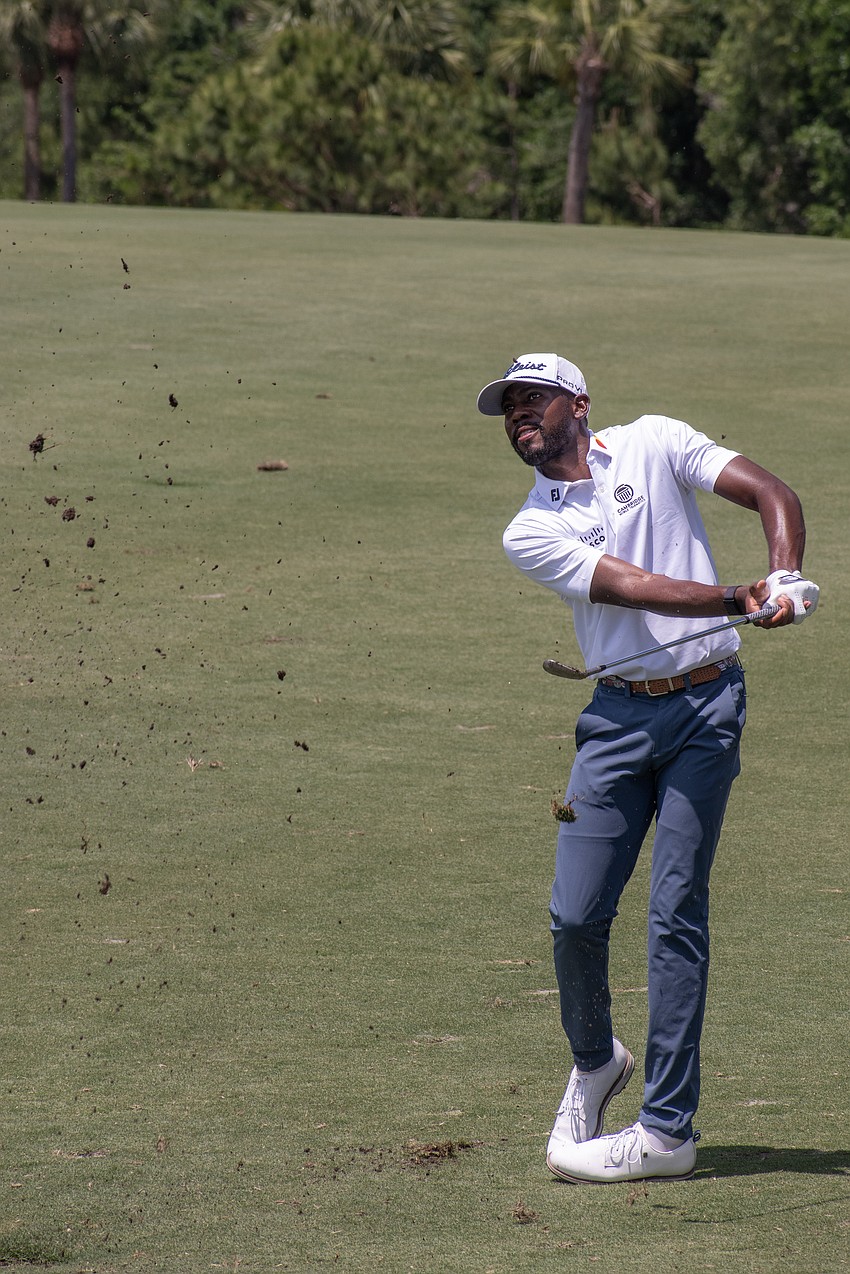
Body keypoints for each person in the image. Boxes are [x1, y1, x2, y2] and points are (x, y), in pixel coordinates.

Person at [476, 353, 819, 1184]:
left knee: (675, 911)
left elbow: (775, 494)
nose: (519, 415)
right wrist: (743, 596)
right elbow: (630, 585)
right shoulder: (530, 527)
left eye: (533, 400)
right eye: (509, 408)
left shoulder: (654, 441)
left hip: (708, 708)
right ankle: (597, 1059)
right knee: (575, 914)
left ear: (578, 403)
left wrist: (784, 573)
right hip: (617, 720)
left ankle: (668, 1131)